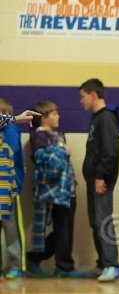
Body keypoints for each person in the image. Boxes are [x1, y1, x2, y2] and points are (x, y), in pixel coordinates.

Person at [27, 101, 85, 278]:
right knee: (63, 228)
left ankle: (39, 258)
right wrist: (63, 151)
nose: (58, 116)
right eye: (54, 114)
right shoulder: (39, 136)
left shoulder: (57, 135)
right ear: (43, 118)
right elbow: (43, 159)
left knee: (64, 228)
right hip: (54, 190)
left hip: (66, 187)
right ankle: (62, 266)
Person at [79, 78, 119, 282]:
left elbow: (110, 152)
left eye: (83, 96)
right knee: (95, 222)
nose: (81, 101)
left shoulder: (106, 118)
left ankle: (112, 265)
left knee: (103, 221)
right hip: (93, 179)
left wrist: (100, 176)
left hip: (101, 180)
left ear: (93, 95)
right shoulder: (97, 118)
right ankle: (103, 263)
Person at [0, 99, 27, 279]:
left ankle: (17, 265)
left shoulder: (10, 130)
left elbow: (9, 152)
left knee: (11, 229)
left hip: (8, 187)